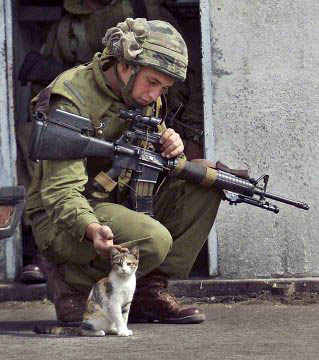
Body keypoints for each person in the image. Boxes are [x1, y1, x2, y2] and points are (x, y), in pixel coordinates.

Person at [26, 17, 220, 325]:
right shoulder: (71, 97)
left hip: (120, 198)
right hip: (63, 215)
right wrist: (90, 227)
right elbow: (61, 192)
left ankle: (145, 291)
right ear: (126, 64)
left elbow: (148, 146)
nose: (155, 95)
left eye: (164, 88)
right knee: (152, 239)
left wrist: (169, 143)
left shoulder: (143, 95)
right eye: (152, 82)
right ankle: (72, 284)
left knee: (207, 183)